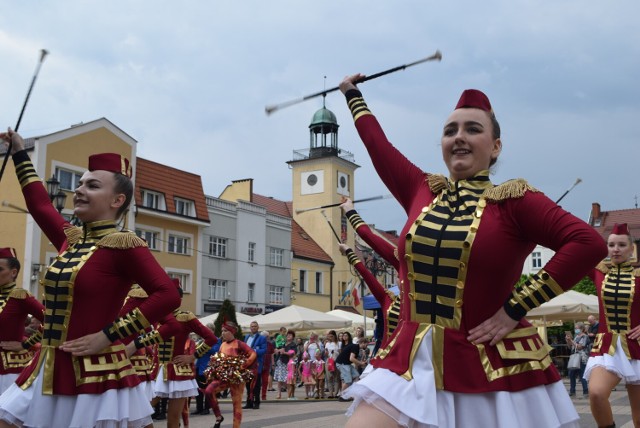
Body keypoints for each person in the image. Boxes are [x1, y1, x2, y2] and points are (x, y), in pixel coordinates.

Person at [336, 77, 607, 428]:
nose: (458, 136)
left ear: (495, 146)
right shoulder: (421, 190)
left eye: (472, 129)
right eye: (450, 131)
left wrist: (515, 308)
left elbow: (588, 243)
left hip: (485, 366)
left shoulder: (514, 202)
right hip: (407, 364)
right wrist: (352, 94)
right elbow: (378, 145)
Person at [0, 130, 181, 428]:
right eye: (80, 184)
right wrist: (19, 151)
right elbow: (40, 205)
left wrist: (108, 335)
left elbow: (167, 295)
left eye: (92, 186)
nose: (79, 190)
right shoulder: (70, 239)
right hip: (47, 363)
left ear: (117, 200)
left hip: (94, 371)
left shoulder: (124, 244)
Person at [128, 280, 217, 428]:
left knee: (173, 420)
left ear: (178, 299)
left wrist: (192, 357)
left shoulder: (186, 317)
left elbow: (211, 338)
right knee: (140, 412)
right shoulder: (156, 317)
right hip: (156, 371)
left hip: (178, 374)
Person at [585, 223, 640, 428]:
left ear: (631, 248)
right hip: (606, 347)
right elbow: (576, 248)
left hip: (638, 347)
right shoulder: (599, 272)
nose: (615, 249)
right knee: (597, 393)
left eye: (621, 244)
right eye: (611, 245)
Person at [0, 248, 45, 395]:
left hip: (10, 370)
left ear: (13, 272)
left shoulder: (20, 296)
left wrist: (26, 344)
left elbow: (53, 320)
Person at [204, 321, 256, 428]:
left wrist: (242, 366)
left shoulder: (239, 343)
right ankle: (218, 417)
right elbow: (218, 358)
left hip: (236, 378)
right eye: (222, 331)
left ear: (232, 332)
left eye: (225, 331)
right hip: (223, 377)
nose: (223, 333)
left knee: (236, 405)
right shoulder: (222, 344)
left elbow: (253, 354)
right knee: (209, 391)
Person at [335, 333, 367, 401]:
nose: (367, 346)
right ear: (363, 343)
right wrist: (361, 363)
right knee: (348, 380)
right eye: (366, 344)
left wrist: (361, 362)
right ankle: (342, 396)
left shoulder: (357, 348)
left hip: (346, 363)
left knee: (356, 376)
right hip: (342, 363)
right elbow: (351, 359)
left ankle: (350, 393)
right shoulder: (355, 347)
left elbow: (353, 359)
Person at [243, 320, 267, 409]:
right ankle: (249, 402)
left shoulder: (262, 338)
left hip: (256, 364)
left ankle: (257, 402)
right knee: (248, 384)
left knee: (256, 384)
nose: (253, 328)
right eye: (252, 326)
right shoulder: (246, 337)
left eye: (255, 326)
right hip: (247, 363)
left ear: (258, 328)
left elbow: (264, 350)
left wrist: (253, 351)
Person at [565, 322, 589, 397]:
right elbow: (571, 347)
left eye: (577, 328)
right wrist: (568, 341)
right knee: (571, 374)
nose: (575, 329)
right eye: (575, 328)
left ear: (581, 328)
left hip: (582, 358)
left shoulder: (585, 336)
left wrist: (571, 341)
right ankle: (572, 391)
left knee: (582, 375)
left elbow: (580, 347)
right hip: (574, 357)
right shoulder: (576, 336)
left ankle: (585, 391)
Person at [273, 330, 297, 399]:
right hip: (280, 361)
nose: (288, 336)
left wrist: (284, 353)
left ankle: (289, 394)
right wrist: (278, 351)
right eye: (287, 335)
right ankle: (279, 393)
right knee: (279, 379)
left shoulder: (293, 344)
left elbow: (293, 354)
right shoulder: (284, 343)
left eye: (290, 335)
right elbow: (280, 351)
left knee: (288, 379)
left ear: (293, 337)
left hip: (288, 363)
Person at [324, 330, 340, 399]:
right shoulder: (327, 344)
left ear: (334, 336)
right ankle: (330, 393)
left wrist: (335, 354)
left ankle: (336, 393)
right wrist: (326, 354)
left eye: (331, 336)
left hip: (336, 361)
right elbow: (326, 353)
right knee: (329, 377)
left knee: (336, 378)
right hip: (329, 361)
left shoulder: (338, 343)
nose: (330, 338)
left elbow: (340, 352)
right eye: (329, 336)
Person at [260, 330, 274, 401]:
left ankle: (263, 396)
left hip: (267, 365)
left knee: (265, 381)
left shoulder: (270, 344)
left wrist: (273, 363)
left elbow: (272, 354)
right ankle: (253, 396)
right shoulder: (259, 343)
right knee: (257, 382)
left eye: (268, 336)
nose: (268, 337)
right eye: (266, 336)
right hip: (259, 365)